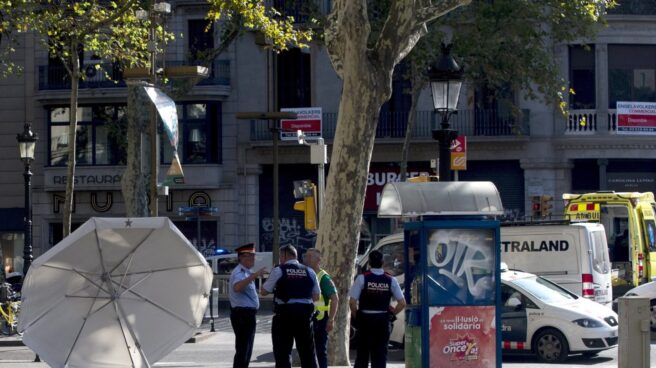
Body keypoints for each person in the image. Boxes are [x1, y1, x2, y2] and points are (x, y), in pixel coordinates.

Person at [262, 245, 320, 368]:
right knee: (308, 353)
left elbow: (264, 291)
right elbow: (316, 296)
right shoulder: (309, 271)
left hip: (284, 316)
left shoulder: (279, 270)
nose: (280, 259)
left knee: (282, 353)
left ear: (284, 256)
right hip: (304, 316)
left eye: (280, 256)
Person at [350, 250, 406, 368]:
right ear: (382, 262)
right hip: (382, 321)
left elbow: (352, 302)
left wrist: (357, 317)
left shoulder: (362, 278)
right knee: (380, 355)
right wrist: (391, 315)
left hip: (365, 320)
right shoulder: (391, 280)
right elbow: (402, 303)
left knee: (362, 354)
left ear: (369, 263)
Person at [229, 243, 267, 368]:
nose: (253, 259)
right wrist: (254, 276)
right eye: (250, 256)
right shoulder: (240, 272)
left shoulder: (246, 272)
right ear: (242, 258)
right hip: (242, 314)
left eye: (253, 256)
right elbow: (237, 287)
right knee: (243, 349)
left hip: (246, 314)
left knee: (246, 349)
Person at [303, 248, 338, 368]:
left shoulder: (323, 277)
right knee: (307, 351)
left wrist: (331, 319)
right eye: (306, 256)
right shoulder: (305, 273)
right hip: (307, 318)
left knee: (320, 352)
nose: (306, 259)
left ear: (318, 260)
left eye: (309, 256)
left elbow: (335, 298)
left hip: (320, 320)